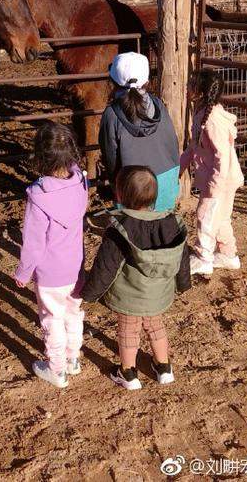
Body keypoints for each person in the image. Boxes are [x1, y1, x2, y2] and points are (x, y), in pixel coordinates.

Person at [82, 166, 190, 390]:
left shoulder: (120, 228)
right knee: (155, 326)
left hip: (129, 296)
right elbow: (181, 257)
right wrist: (183, 283)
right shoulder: (171, 223)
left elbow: (106, 266)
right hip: (158, 294)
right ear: (155, 195)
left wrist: (90, 293)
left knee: (128, 331)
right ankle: (164, 368)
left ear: (120, 195)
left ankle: (128, 373)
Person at [14, 121, 89, 388]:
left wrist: (23, 272)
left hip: (49, 273)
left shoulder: (38, 196)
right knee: (73, 312)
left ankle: (56, 369)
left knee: (51, 318)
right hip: (76, 264)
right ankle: (73, 358)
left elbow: (33, 243)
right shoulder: (80, 182)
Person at [180, 69, 244, 276]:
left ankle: (203, 258)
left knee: (205, 215)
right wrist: (178, 169)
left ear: (199, 91)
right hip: (222, 178)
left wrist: (215, 185)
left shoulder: (213, 119)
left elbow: (222, 156)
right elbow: (193, 147)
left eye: (191, 84)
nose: (187, 87)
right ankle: (228, 255)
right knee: (221, 218)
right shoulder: (203, 113)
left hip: (220, 180)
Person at [99, 51, 180, 211]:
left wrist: (116, 185)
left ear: (113, 82)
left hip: (134, 187)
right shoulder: (158, 105)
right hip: (167, 182)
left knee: (135, 230)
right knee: (159, 226)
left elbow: (110, 156)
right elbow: (172, 143)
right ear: (147, 82)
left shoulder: (111, 114)